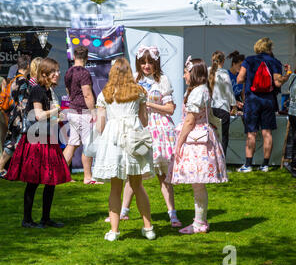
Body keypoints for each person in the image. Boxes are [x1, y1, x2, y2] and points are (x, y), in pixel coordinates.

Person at [104, 45, 182, 228]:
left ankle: (172, 214)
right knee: (133, 172)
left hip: (159, 130)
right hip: (138, 128)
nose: (147, 66)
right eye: (143, 62)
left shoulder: (162, 80)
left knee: (163, 175)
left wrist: (149, 105)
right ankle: (123, 211)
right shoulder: (134, 80)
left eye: (150, 62)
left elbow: (170, 109)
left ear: (156, 63)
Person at [93, 58, 156, 241]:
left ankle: (114, 231)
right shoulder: (139, 92)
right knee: (137, 185)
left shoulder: (105, 93)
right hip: (134, 137)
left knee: (115, 187)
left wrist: (104, 136)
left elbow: (100, 124)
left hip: (113, 139)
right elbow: (144, 120)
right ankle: (149, 228)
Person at [6, 58, 71, 228]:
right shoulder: (37, 90)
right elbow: (38, 115)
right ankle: (27, 220)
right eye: (54, 71)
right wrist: (56, 111)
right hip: (36, 140)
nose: (58, 74)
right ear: (44, 74)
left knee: (51, 180)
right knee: (33, 181)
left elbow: (47, 117)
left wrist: (58, 116)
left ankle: (46, 218)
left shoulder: (48, 91)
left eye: (58, 71)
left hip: (46, 137)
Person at [166, 56, 228, 234]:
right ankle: (199, 221)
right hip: (200, 138)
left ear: (192, 73)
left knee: (198, 183)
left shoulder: (198, 92)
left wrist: (179, 143)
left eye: (186, 72)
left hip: (197, 141)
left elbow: (190, 120)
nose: (184, 76)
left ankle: (199, 223)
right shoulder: (201, 90)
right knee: (197, 184)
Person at [236, 38, 290, 173]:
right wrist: (288, 74)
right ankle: (265, 165)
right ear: (270, 48)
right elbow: (278, 83)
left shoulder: (248, 60)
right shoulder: (275, 62)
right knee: (267, 132)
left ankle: (248, 165)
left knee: (251, 133)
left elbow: (240, 79)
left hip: (252, 100)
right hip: (268, 101)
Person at [62, 46, 99, 184]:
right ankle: (88, 177)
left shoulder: (68, 72)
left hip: (72, 111)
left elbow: (68, 91)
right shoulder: (84, 73)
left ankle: (61, 175)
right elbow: (87, 94)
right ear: (87, 58)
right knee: (88, 145)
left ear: (73, 57)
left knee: (72, 144)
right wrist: (93, 111)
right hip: (83, 112)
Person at [0, 55, 31, 178]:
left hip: (13, 115)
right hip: (20, 117)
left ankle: (0, 168)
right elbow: (23, 102)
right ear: (28, 66)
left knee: (13, 142)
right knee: (16, 143)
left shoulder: (14, 79)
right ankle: (5, 169)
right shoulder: (23, 81)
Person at [209, 50, 237, 156]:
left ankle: (211, 160)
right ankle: (222, 162)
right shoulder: (224, 73)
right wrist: (234, 105)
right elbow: (229, 91)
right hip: (222, 109)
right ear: (223, 61)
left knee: (211, 136)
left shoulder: (207, 71)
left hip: (210, 108)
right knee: (223, 137)